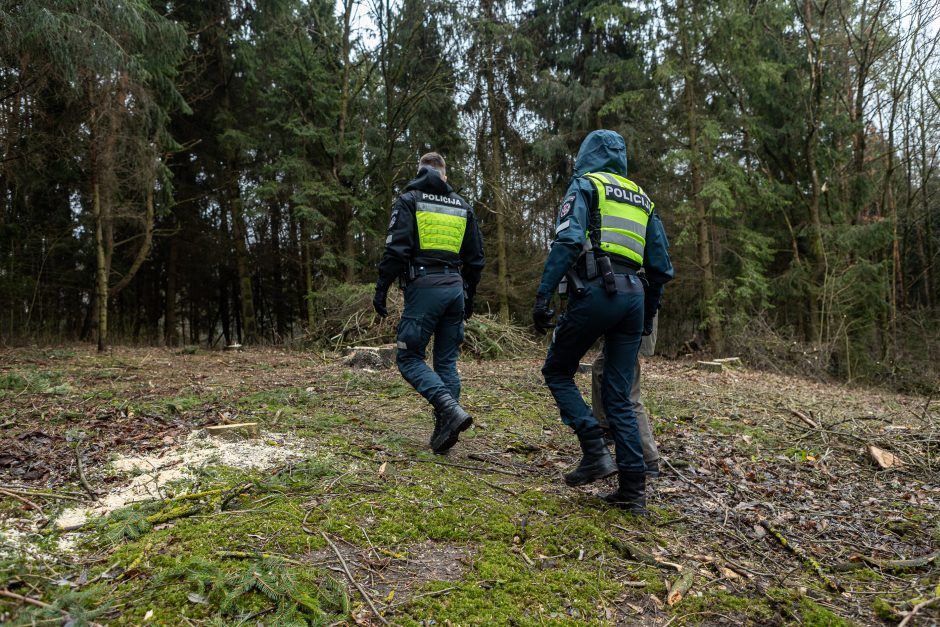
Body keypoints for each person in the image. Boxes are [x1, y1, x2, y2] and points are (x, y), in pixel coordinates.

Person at [532, 130, 673, 514]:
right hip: (635, 298)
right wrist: (647, 313)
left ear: (586, 155)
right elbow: (660, 267)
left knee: (558, 371)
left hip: (596, 290)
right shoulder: (643, 199)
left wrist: (544, 295)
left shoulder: (586, 185)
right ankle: (633, 490)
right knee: (619, 394)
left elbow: (567, 241)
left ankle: (594, 449)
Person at [373, 152, 485, 454]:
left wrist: (382, 288)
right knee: (446, 362)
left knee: (409, 358)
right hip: (455, 288)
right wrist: (469, 294)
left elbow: (396, 250)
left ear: (419, 172)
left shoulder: (409, 200)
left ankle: (450, 411)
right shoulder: (462, 205)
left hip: (424, 288)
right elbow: (475, 259)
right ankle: (444, 430)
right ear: (444, 175)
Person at [592, 312, 660, 476]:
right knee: (600, 369)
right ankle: (605, 428)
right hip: (632, 323)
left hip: (632, 325)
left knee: (628, 395)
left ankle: (648, 458)